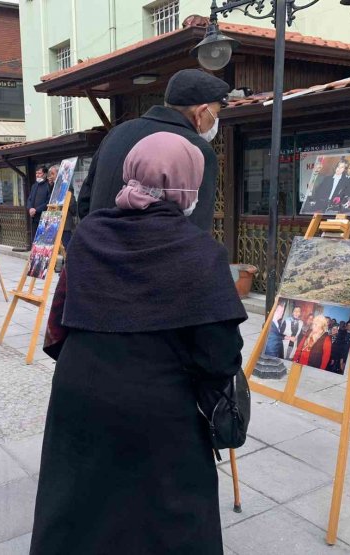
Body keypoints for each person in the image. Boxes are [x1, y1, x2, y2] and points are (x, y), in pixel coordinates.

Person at [30, 133, 247, 554]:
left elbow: (61, 321)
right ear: (188, 184)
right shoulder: (200, 252)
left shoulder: (90, 233)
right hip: (161, 408)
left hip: (79, 394)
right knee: (165, 520)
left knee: (79, 510)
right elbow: (219, 358)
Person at [77, 69, 229, 231]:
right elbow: (196, 229)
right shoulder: (196, 150)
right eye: (216, 113)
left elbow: (84, 202)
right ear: (201, 112)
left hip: (96, 247)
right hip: (152, 254)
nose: (216, 120)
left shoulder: (116, 133)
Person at [26, 165, 51, 243]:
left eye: (39, 173)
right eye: (36, 173)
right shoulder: (34, 185)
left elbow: (48, 202)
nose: (37, 175)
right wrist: (30, 208)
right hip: (34, 218)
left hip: (44, 218)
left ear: (45, 174)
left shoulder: (48, 186)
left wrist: (36, 210)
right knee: (35, 241)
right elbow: (29, 199)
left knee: (43, 241)